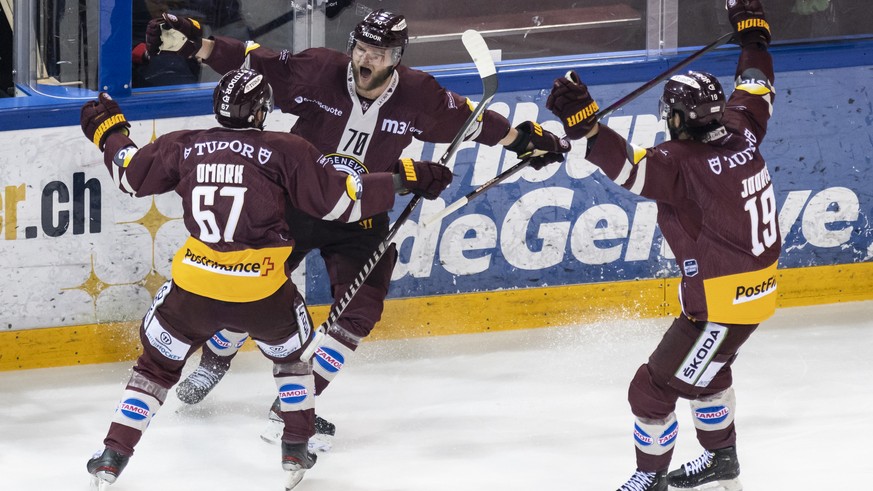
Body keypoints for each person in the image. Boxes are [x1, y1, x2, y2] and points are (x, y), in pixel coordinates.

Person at [144, 8, 571, 446]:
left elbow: (471, 120)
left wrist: (523, 141)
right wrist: (198, 45)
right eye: (362, 49)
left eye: (380, 53)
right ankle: (216, 360)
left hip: (361, 218)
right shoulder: (319, 71)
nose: (367, 60)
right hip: (293, 207)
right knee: (250, 284)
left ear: (397, 56)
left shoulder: (419, 94)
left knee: (360, 311)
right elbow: (258, 62)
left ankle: (295, 403)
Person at [81, 68, 452, 489]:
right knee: (292, 364)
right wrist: (404, 179)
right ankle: (296, 446)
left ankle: (113, 454)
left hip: (193, 290)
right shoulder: (287, 149)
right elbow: (339, 204)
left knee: (154, 369)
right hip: (263, 292)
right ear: (262, 110)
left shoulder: (183, 145)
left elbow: (129, 173)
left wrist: (109, 131)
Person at [546, 1, 778, 490]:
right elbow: (756, 83)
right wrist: (752, 33)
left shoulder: (679, 165)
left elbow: (623, 163)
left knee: (651, 391)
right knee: (709, 373)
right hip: (753, 296)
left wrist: (583, 122)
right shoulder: (742, 131)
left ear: (676, 116)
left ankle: (649, 480)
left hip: (720, 308)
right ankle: (723, 461)